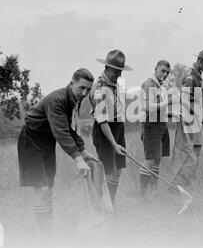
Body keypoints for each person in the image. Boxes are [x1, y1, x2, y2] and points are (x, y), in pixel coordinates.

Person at [17, 68, 99, 235]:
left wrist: (83, 151)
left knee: (50, 187)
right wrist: (78, 158)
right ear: (71, 83)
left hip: (47, 142)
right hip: (31, 142)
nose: (84, 93)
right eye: (81, 87)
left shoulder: (72, 101)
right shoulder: (58, 99)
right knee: (42, 187)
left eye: (88, 89)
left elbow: (69, 129)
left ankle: (48, 230)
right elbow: (61, 132)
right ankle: (45, 235)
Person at [90, 49, 132, 206]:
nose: (119, 75)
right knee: (107, 170)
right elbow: (102, 121)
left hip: (117, 127)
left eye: (121, 71)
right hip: (105, 131)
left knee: (118, 168)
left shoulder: (114, 83)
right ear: (107, 68)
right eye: (116, 71)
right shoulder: (100, 87)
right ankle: (101, 208)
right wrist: (114, 144)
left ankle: (111, 205)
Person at [170, 48, 203, 190]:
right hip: (188, 121)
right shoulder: (190, 76)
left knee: (195, 152)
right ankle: (177, 187)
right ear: (201, 61)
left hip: (193, 121)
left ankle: (186, 185)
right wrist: (197, 114)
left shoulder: (197, 75)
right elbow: (183, 100)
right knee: (190, 156)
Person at [139, 60, 171, 196]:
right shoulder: (149, 84)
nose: (165, 74)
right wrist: (167, 102)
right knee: (150, 159)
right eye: (163, 70)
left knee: (158, 159)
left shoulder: (161, 85)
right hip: (151, 126)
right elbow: (148, 107)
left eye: (167, 72)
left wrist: (173, 113)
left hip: (161, 124)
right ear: (156, 69)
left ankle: (153, 192)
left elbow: (160, 109)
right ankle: (144, 195)